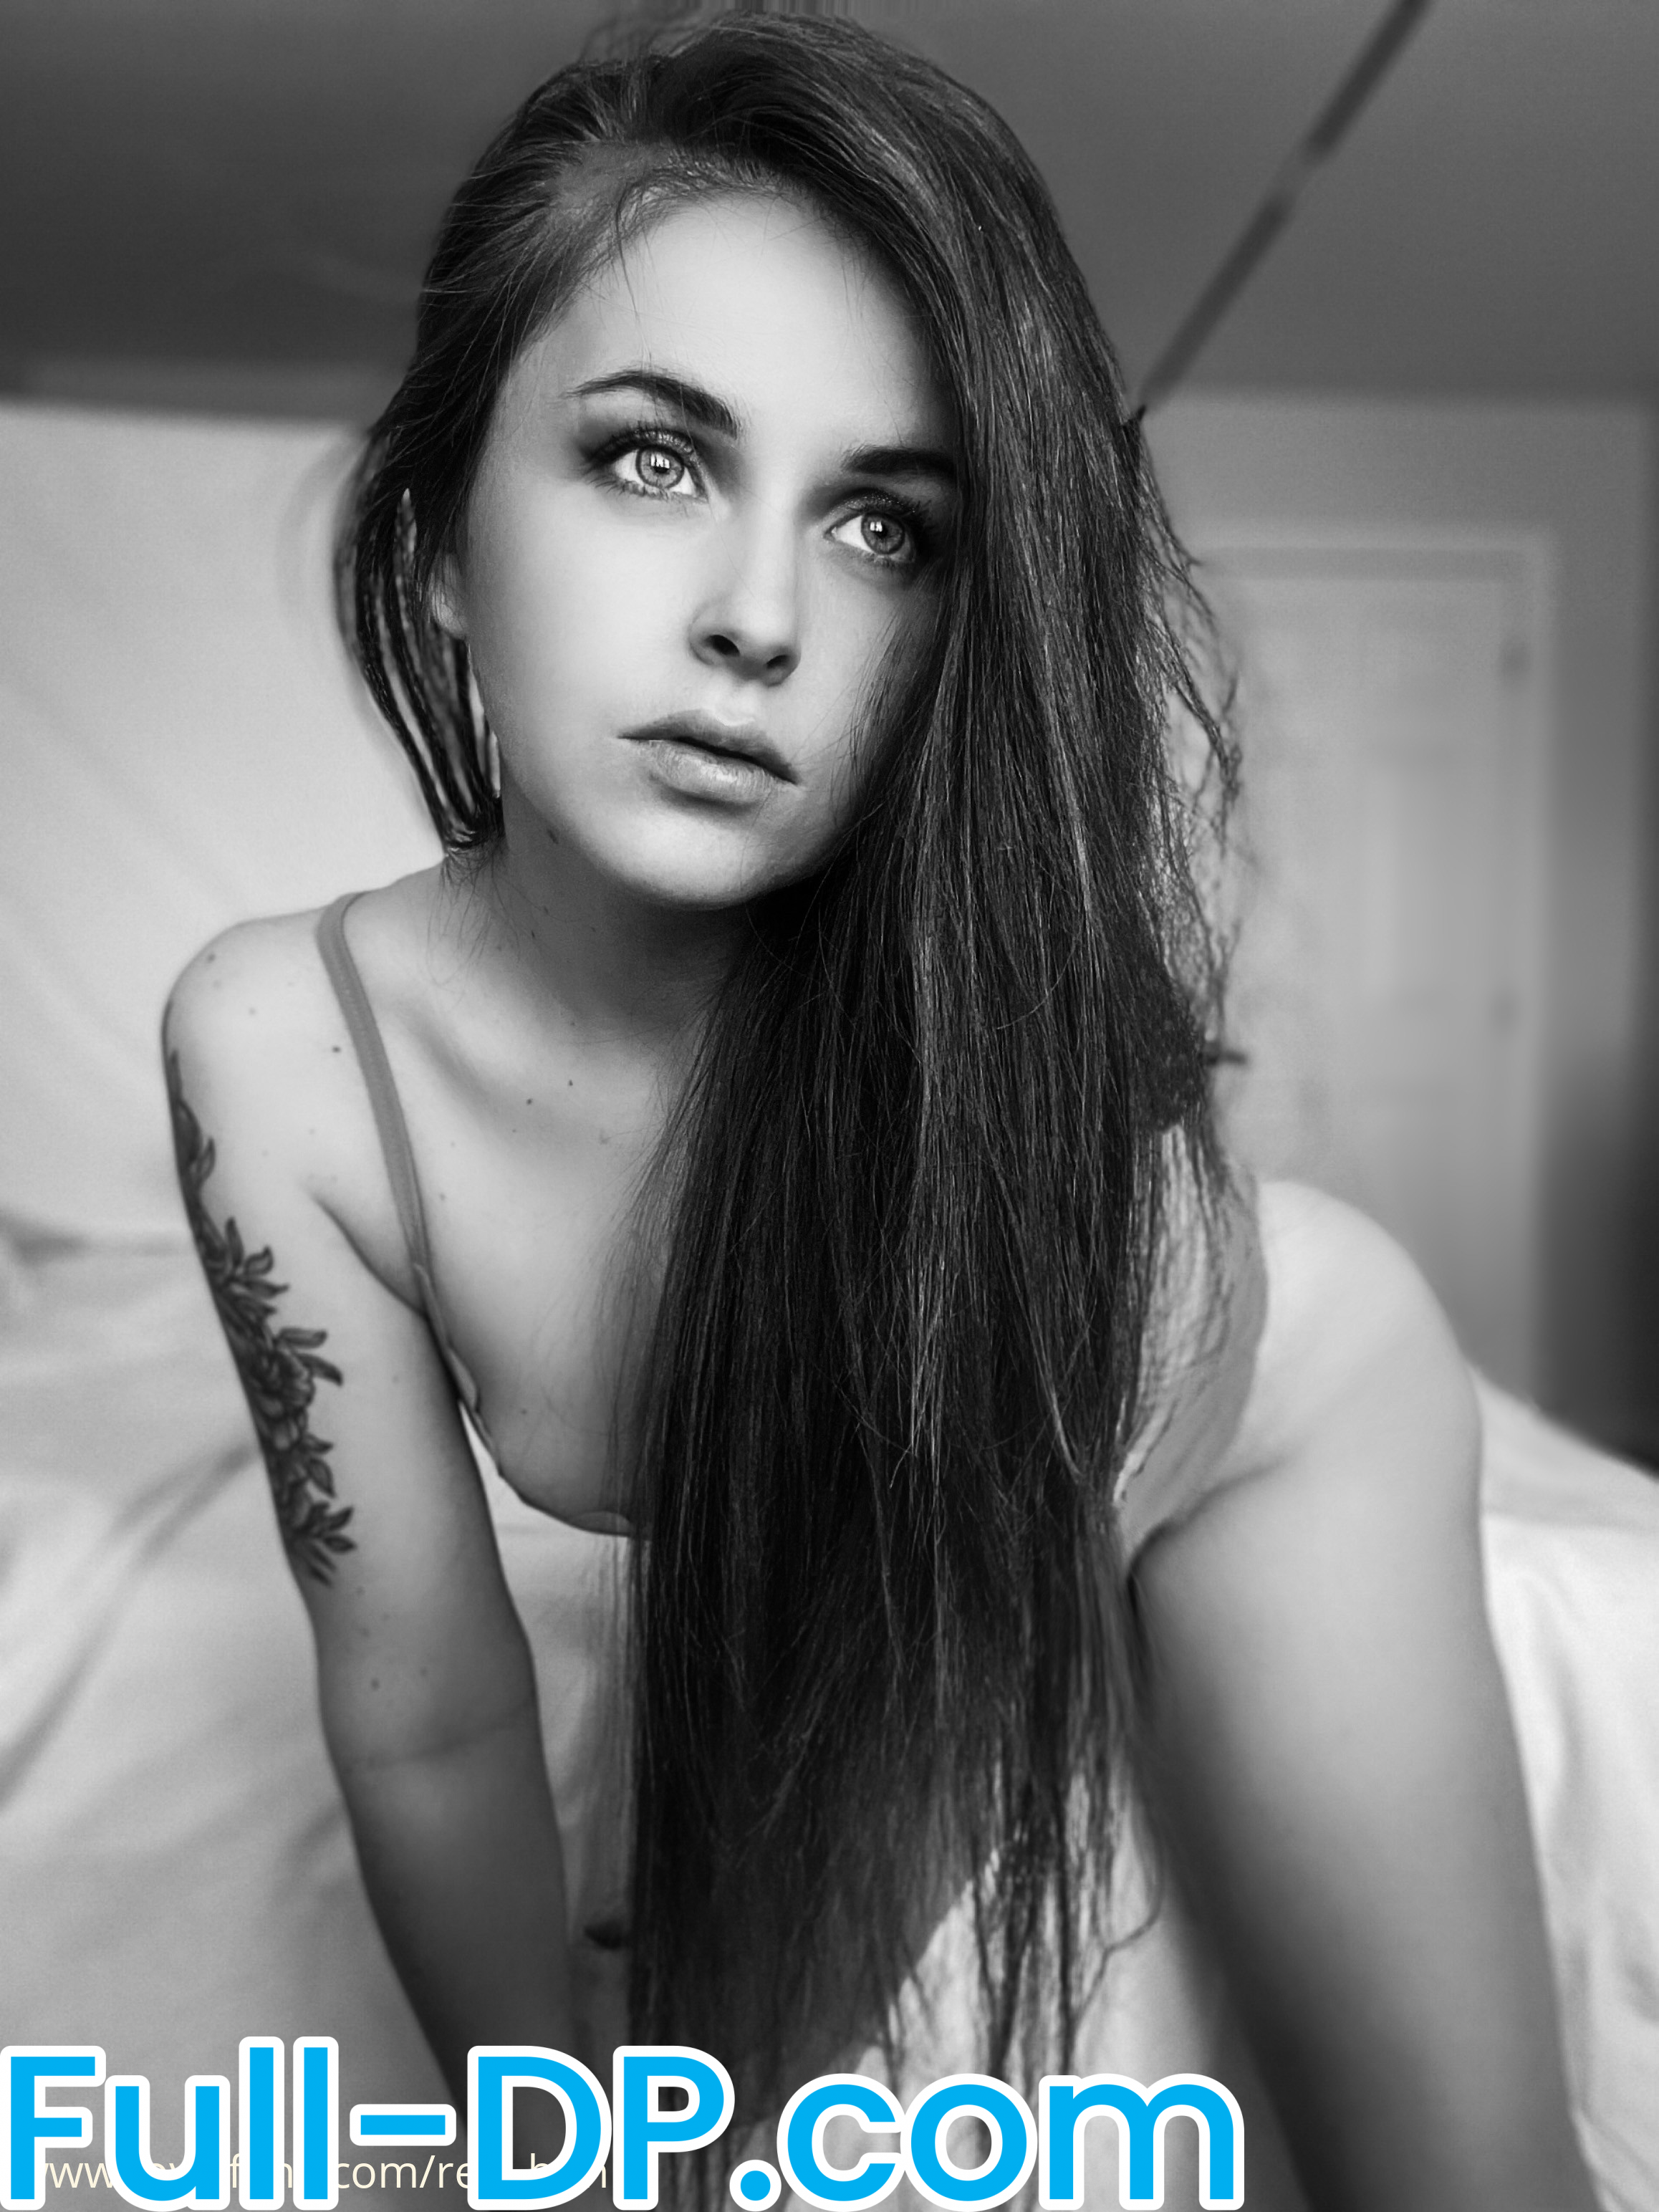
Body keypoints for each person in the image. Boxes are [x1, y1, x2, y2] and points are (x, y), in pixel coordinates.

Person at [162, 14, 1600, 2208]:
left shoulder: (1007, 1158)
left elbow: (879, 1791)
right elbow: (422, 1704)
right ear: (442, 539)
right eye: (653, 458)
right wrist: (542, 2131)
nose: (758, 619)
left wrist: (684, 2115)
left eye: (881, 529)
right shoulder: (283, 1052)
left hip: (1273, 1411)